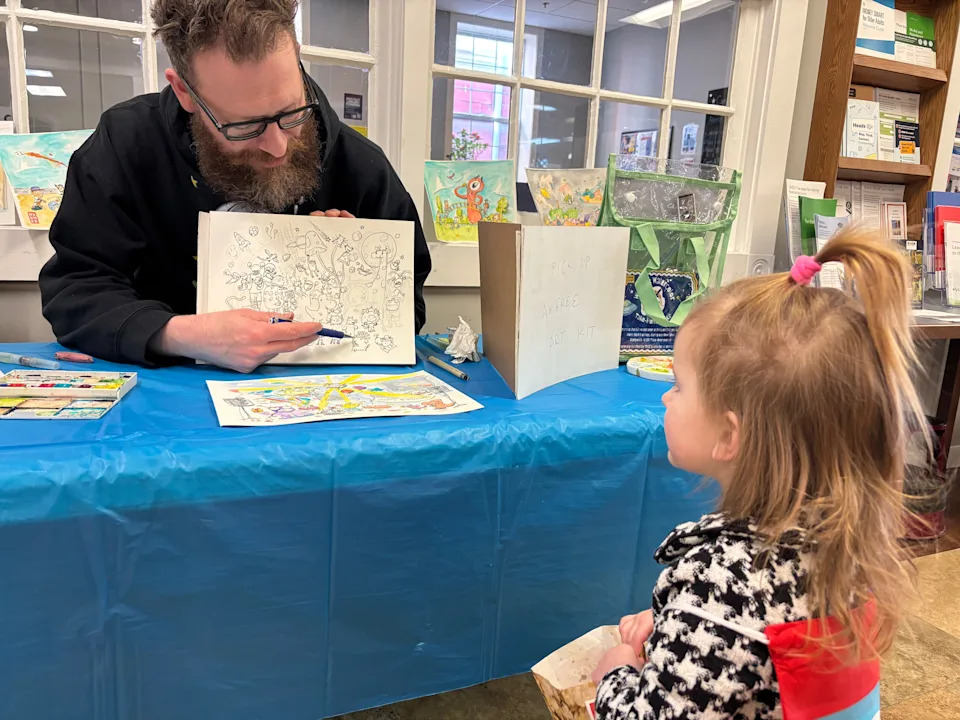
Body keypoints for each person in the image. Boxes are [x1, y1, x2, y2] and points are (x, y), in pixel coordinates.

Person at [591, 226, 924, 718]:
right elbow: (752, 656)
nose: (666, 396)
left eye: (679, 385)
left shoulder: (717, 584)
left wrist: (616, 673)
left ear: (730, 436)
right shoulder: (850, 550)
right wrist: (671, 625)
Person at [38, 0, 431, 373]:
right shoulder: (126, 145)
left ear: (296, 56)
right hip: (166, 410)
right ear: (184, 92)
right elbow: (76, 291)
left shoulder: (362, 167)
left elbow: (403, 310)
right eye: (245, 126)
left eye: (292, 112)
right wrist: (182, 334)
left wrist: (354, 277)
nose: (277, 147)